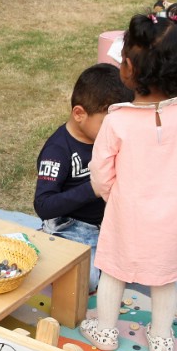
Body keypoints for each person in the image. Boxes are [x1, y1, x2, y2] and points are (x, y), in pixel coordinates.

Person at [81, 3, 177, 351]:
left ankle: (106, 331)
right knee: (165, 275)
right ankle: (160, 337)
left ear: (129, 69)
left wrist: (116, 195)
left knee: (113, 270)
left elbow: (100, 170)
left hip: (126, 212)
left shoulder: (118, 121)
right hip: (174, 215)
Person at [34, 63, 133, 294]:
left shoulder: (109, 138)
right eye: (107, 124)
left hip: (108, 224)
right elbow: (44, 205)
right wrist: (92, 188)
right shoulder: (58, 150)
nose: (115, 131)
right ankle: (46, 245)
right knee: (86, 282)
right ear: (79, 114)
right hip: (69, 227)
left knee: (151, 259)